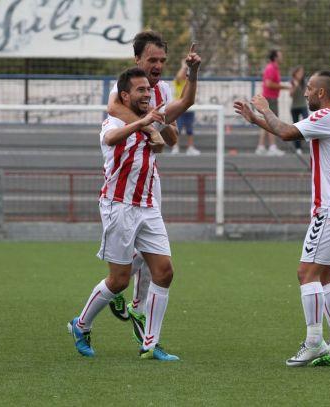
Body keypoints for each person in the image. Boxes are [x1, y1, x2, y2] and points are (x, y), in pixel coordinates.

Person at [234, 71, 330, 367]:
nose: (304, 93)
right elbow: (286, 130)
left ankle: (315, 342)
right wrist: (256, 120)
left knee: (306, 274)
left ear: (321, 93)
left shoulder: (329, 115)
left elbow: (286, 132)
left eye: (308, 89)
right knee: (324, 275)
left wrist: (264, 108)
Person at [68, 67, 181, 361]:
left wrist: (155, 128)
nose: (147, 94)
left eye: (148, 89)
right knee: (118, 280)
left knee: (164, 271)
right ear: (125, 95)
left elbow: (165, 143)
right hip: (118, 207)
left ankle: (151, 343)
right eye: (140, 90)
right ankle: (80, 325)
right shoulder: (113, 122)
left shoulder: (149, 123)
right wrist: (143, 123)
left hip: (147, 207)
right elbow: (111, 139)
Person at [104, 31, 201, 346]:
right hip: (122, 179)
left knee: (154, 251)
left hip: (149, 179)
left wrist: (165, 131)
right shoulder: (126, 87)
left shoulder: (161, 92)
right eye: (152, 60)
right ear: (137, 60)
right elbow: (113, 110)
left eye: (162, 60)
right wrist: (149, 125)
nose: (157, 65)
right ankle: (120, 294)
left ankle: (137, 306)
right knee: (137, 253)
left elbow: (170, 133)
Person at [256, 49, 287, 156]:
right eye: (280, 55)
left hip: (271, 98)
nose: (282, 57)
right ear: (275, 57)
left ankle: (261, 147)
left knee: (267, 122)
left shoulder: (275, 68)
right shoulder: (271, 68)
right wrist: (284, 87)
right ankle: (272, 147)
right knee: (272, 122)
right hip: (270, 99)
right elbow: (268, 84)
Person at [171, 59, 200, 156]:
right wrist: (184, 65)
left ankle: (190, 148)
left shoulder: (190, 82)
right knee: (177, 128)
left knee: (190, 129)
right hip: (179, 108)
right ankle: (175, 147)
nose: (184, 74)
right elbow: (179, 76)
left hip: (189, 108)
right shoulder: (178, 82)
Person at [289, 66, 308, 155]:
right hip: (294, 107)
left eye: (302, 72)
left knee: (306, 122)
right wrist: (295, 86)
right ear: (295, 73)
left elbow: (306, 94)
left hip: (303, 106)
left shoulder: (304, 82)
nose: (301, 74)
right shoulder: (293, 82)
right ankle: (297, 147)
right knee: (296, 127)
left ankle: (305, 141)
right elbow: (291, 94)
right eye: (299, 72)